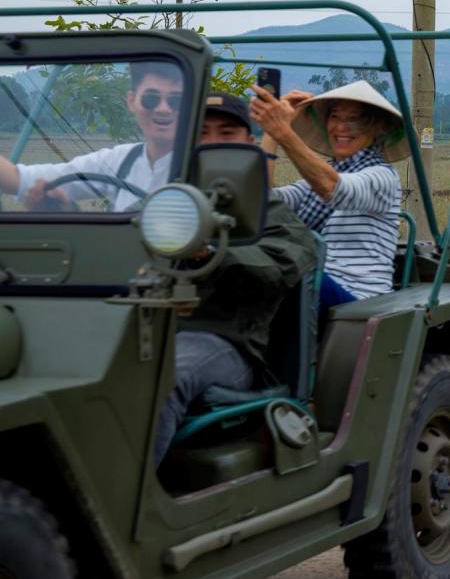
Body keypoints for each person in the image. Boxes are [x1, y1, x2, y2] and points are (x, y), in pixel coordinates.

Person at [154, 94, 317, 462]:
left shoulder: (269, 211)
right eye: (202, 134)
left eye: (226, 132)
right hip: (146, 330)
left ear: (248, 143)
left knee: (160, 379)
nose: (212, 143)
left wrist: (214, 253)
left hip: (224, 343)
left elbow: (282, 263)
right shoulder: (164, 201)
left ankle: (122, 506)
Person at [251, 79, 405, 307]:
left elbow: (335, 190)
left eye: (354, 119)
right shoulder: (313, 184)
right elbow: (261, 202)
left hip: (359, 295)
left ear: (378, 128)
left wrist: (283, 131)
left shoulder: (383, 177)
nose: (341, 127)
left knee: (290, 271)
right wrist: (271, 134)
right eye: (334, 117)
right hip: (317, 285)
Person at [0, 61, 185, 211]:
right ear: (131, 101)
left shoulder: (201, 164)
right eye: (151, 98)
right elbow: (22, 179)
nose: (163, 109)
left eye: (175, 100)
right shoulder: (122, 160)